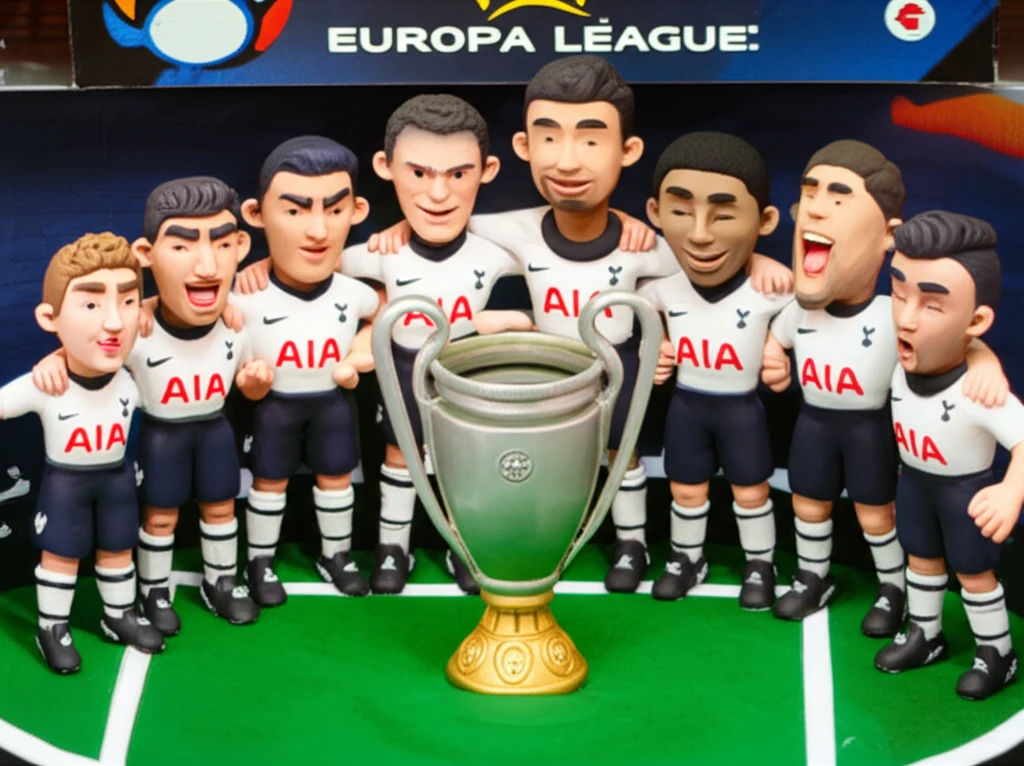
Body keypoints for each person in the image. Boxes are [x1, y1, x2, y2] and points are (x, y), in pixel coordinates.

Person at [369, 56, 792, 594]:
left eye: (590, 140)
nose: (568, 160)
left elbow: (703, 259)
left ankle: (632, 545)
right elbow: (440, 218)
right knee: (530, 460)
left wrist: (756, 259)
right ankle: (513, 538)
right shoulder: (510, 231)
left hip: (617, 371)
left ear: (627, 151)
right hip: (549, 380)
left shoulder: (644, 244)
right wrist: (397, 233)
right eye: (550, 138)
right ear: (523, 146)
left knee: (623, 458)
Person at [236, 95, 521, 594]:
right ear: (387, 168)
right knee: (398, 457)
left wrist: (513, 319)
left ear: (486, 171)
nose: (438, 193)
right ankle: (392, 549)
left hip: (463, 369)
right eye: (420, 173)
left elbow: (556, 261)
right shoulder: (375, 252)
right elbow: (318, 263)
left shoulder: (493, 250)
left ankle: (463, 545)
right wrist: (265, 264)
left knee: (461, 460)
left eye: (457, 174)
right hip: (402, 369)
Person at [762, 141, 1007, 637]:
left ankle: (892, 589)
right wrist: (772, 354)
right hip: (814, 424)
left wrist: (987, 361)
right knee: (808, 504)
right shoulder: (799, 311)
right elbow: (777, 334)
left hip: (868, 429)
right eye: (810, 193)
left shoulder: (889, 314)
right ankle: (812, 576)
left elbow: (951, 341)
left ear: (888, 235)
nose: (818, 207)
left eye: (838, 196)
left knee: (877, 516)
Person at [32, 177, 273, 635]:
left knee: (222, 507)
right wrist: (57, 357)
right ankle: (155, 590)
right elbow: (91, 347)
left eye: (222, 244)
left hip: (215, 430)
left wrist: (254, 381)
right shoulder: (138, 327)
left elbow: (252, 384)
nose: (206, 264)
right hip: (163, 435)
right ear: (148, 253)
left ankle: (222, 580)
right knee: (160, 517)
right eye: (183, 246)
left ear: (240, 246)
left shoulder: (237, 321)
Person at [638, 132, 792, 609]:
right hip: (688, 405)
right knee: (686, 489)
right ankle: (686, 558)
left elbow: (809, 311)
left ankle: (760, 563)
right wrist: (656, 343)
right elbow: (636, 306)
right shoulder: (663, 287)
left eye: (723, 215)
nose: (701, 234)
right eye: (681, 211)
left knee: (751, 491)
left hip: (741, 409)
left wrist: (777, 347)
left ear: (766, 221)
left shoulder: (768, 290)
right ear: (656, 212)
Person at [0, 232, 164, 673]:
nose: (113, 321)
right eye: (91, 304)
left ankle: (119, 614)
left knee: (118, 547)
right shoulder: (46, 384)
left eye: (127, 301)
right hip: (66, 483)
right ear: (49, 317)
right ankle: (52, 626)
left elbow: (184, 337)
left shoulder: (134, 372)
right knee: (61, 553)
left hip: (116, 478)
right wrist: (58, 356)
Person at [875, 210, 1020, 700]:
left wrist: (1010, 491)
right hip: (914, 482)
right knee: (921, 559)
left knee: (974, 572)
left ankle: (996, 652)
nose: (906, 317)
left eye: (932, 305)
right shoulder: (899, 359)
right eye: (899, 293)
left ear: (976, 321)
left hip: (963, 492)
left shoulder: (979, 390)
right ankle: (925, 633)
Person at [231, 136, 380, 606]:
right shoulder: (246, 296)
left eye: (334, 210)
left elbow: (385, 313)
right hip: (275, 406)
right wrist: (248, 380)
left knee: (336, 478)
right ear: (256, 214)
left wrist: (359, 353)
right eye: (295, 210)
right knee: (268, 482)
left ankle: (337, 555)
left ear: (356, 211)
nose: (317, 230)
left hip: (332, 402)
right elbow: (201, 327)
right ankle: (260, 560)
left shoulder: (353, 291)